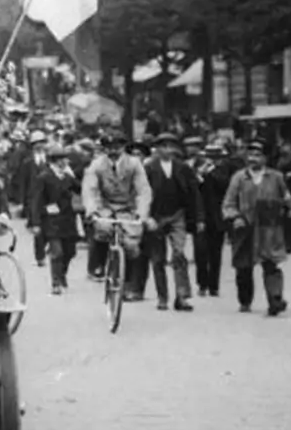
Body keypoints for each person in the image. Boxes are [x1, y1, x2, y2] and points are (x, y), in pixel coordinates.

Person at [222, 140, 291, 316]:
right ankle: (245, 301)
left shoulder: (276, 177)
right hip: (245, 227)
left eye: (257, 155)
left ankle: (275, 299)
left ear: (266, 158)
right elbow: (228, 204)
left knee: (271, 264)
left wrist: (289, 210)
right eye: (250, 155)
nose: (253, 159)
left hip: (269, 229)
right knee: (244, 267)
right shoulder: (239, 177)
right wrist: (235, 217)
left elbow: (287, 200)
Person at [81, 131, 152, 301]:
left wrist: (142, 213)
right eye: (109, 148)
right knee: (102, 230)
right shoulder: (97, 165)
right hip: (105, 207)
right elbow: (89, 189)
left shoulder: (134, 164)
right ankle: (98, 265)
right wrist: (91, 210)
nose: (113, 151)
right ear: (104, 149)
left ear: (123, 147)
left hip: (128, 208)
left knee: (131, 246)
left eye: (117, 147)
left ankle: (128, 283)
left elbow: (143, 190)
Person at [142, 133, 202, 312]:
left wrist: (199, 218)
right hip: (156, 216)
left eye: (170, 146)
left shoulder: (182, 168)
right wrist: (146, 217)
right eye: (163, 146)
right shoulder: (149, 168)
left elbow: (194, 194)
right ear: (157, 149)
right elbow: (141, 194)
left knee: (179, 254)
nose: (167, 150)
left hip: (178, 215)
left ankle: (182, 296)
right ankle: (162, 297)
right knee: (158, 259)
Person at [29, 143, 81, 294]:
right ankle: (56, 283)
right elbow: (36, 201)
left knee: (70, 251)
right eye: (60, 159)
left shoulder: (67, 177)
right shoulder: (44, 177)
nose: (64, 161)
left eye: (64, 158)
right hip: (51, 221)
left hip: (68, 219)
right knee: (57, 251)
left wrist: (72, 175)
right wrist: (36, 222)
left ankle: (62, 273)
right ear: (53, 160)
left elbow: (79, 188)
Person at [196, 144, 233, 297]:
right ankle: (202, 284)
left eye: (215, 157)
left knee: (215, 253)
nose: (211, 159)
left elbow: (224, 184)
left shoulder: (224, 170)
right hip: (201, 216)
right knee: (201, 252)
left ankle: (214, 285)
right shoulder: (199, 169)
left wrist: (208, 174)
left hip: (217, 216)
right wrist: (199, 175)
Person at [17, 130, 50, 267]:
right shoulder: (27, 162)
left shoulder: (50, 159)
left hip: (49, 198)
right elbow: (22, 182)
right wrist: (21, 201)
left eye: (41, 143)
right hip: (33, 199)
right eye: (36, 143)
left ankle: (45, 248)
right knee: (37, 228)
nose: (39, 146)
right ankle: (40, 256)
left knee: (50, 226)